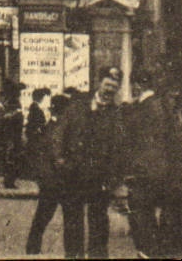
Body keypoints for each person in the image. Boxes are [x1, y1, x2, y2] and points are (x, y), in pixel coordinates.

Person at [60, 65, 126, 259]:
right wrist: (61, 161)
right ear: (99, 83)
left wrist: (114, 178)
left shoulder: (117, 113)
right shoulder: (78, 104)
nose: (109, 90)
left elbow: (119, 148)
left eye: (114, 87)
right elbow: (60, 133)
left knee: (99, 222)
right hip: (73, 173)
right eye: (107, 85)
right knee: (73, 221)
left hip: (99, 177)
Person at [125, 68, 182, 259]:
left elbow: (136, 142)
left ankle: (149, 253)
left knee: (142, 217)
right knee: (167, 218)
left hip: (145, 172)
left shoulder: (140, 109)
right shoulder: (164, 106)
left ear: (136, 86)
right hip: (167, 171)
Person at [25, 93, 73, 255]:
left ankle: (32, 248)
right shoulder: (59, 128)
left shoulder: (49, 127)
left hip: (51, 181)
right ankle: (33, 248)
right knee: (66, 220)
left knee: (42, 218)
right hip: (58, 181)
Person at [0, 85, 24, 189]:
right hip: (9, 137)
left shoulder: (10, 104)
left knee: (4, 160)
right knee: (9, 160)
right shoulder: (13, 105)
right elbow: (9, 120)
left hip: (8, 137)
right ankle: (7, 182)